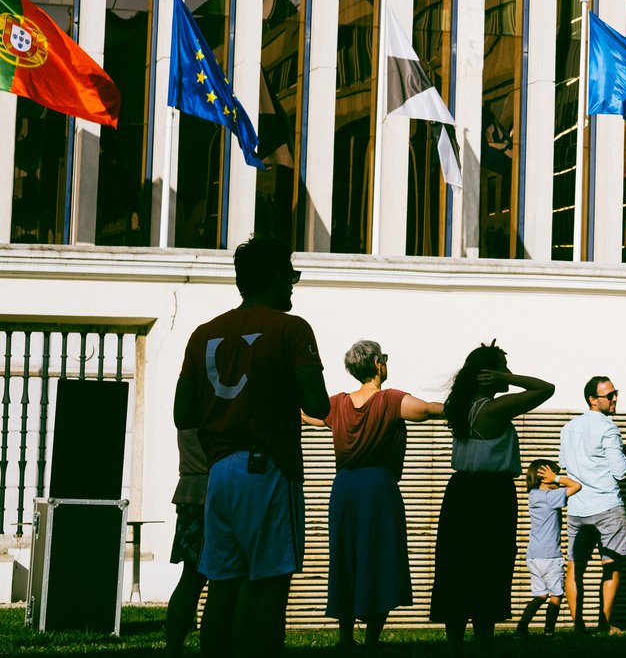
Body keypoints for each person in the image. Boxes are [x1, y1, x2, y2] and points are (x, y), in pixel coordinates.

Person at [173, 235, 330, 658]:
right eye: (290, 277)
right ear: (274, 277)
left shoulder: (203, 334)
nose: (293, 286)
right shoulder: (292, 329)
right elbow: (317, 404)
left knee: (222, 584)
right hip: (269, 467)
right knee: (268, 586)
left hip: (218, 472)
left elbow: (183, 414)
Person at [317, 339, 444, 648]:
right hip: (378, 487)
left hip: (343, 487)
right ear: (377, 364)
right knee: (381, 557)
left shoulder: (336, 404)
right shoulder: (390, 399)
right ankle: (372, 638)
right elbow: (428, 410)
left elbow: (309, 414)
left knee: (345, 558)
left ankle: (345, 637)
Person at [431, 344, 555, 654]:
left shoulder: (458, 406)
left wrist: (497, 375)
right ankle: (484, 639)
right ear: (488, 374)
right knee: (490, 564)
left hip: (459, 491)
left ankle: (455, 642)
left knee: (456, 565)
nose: (508, 375)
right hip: (492, 494)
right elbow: (546, 388)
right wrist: (506, 377)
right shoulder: (493, 408)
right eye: (502, 368)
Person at [561, 375, 626, 635]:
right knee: (611, 565)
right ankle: (604, 623)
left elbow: (564, 465)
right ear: (593, 400)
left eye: (616, 393)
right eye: (609, 395)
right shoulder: (609, 428)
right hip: (607, 505)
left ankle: (578, 625)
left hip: (578, 507)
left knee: (574, 566)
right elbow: (619, 470)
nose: (615, 398)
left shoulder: (568, 428)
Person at [519, 459, 583, 636]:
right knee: (556, 595)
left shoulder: (534, 495)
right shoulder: (549, 497)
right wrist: (557, 478)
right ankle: (549, 631)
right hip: (549, 556)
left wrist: (553, 480)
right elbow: (577, 486)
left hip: (533, 555)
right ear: (545, 478)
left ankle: (522, 627)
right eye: (552, 475)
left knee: (540, 595)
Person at [164, 428, 209, 658]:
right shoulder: (219, 395)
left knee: (190, 578)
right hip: (216, 489)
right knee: (225, 583)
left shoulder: (187, 400)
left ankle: (172, 650)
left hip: (191, 490)